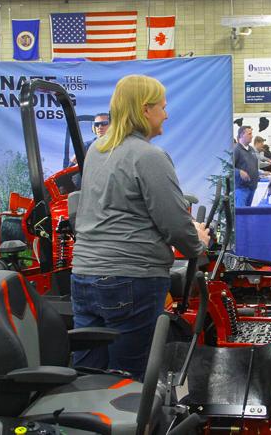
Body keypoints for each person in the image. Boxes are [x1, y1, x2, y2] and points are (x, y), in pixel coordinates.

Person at [71, 75, 210, 380]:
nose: (166, 114)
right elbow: (175, 224)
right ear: (145, 110)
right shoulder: (149, 157)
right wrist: (199, 244)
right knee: (130, 378)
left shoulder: (97, 150)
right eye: (162, 106)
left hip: (84, 276)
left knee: (87, 372)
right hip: (131, 278)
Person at [233, 125, 258, 206]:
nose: (252, 136)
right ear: (241, 135)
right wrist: (239, 172)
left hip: (252, 188)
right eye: (249, 134)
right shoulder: (236, 150)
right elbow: (228, 168)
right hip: (241, 189)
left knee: (246, 214)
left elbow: (254, 166)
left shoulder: (251, 149)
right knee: (240, 215)